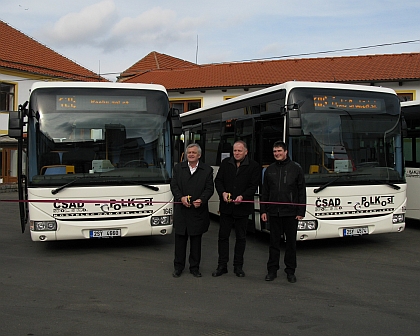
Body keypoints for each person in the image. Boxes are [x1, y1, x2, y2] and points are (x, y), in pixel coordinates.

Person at [212, 140, 261, 277]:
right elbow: (218, 181)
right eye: (235, 151)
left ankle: (238, 266)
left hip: (243, 208)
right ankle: (222, 265)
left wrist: (243, 197)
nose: (237, 153)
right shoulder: (226, 163)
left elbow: (253, 186)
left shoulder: (254, 166)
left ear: (246, 151)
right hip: (226, 208)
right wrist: (222, 193)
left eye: (239, 151)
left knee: (241, 238)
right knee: (223, 237)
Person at [261, 141, 306, 283]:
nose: (277, 154)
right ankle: (272, 270)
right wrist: (263, 210)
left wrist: (301, 211)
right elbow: (265, 192)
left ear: (286, 152)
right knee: (273, 244)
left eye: (279, 151)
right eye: (275, 151)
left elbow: (301, 192)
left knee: (291, 244)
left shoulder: (296, 168)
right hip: (274, 213)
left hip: (291, 213)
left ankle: (290, 271)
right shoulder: (270, 170)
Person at [170, 143, 214, 278]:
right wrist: (180, 198)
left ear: (199, 155)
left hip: (197, 212)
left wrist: (201, 199)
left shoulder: (207, 170)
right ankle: (178, 267)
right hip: (182, 211)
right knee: (180, 242)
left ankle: (194, 267)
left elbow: (209, 189)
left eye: (193, 153)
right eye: (189, 152)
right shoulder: (178, 168)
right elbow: (174, 186)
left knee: (196, 242)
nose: (191, 155)